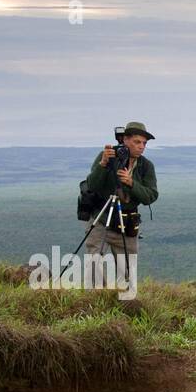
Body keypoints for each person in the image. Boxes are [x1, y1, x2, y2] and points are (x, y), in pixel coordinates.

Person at [82, 121, 158, 291]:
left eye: (144, 143)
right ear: (125, 140)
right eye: (137, 142)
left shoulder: (146, 166)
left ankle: (126, 304)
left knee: (127, 272)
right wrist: (103, 165)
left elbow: (151, 196)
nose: (141, 147)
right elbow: (92, 185)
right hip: (101, 218)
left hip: (127, 223)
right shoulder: (108, 157)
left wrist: (132, 183)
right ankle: (93, 304)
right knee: (95, 266)